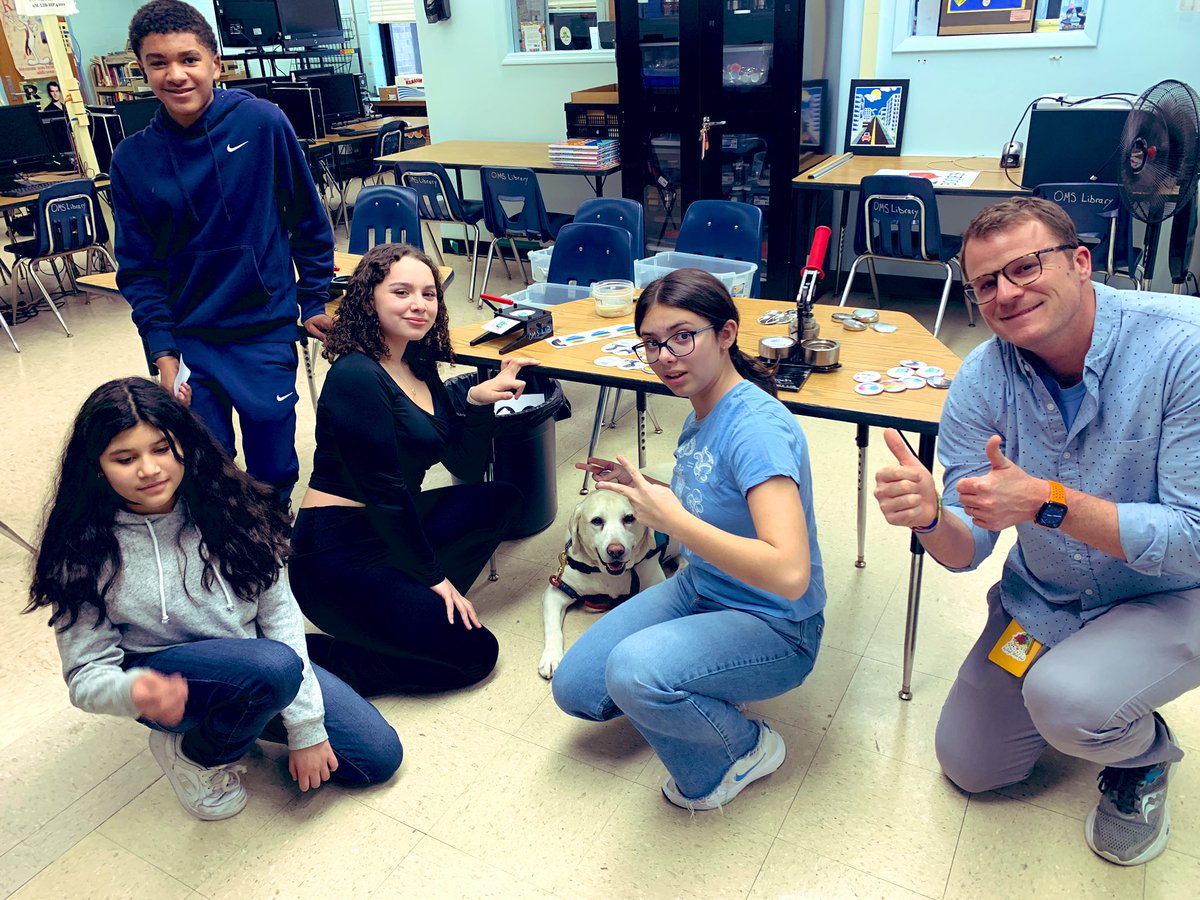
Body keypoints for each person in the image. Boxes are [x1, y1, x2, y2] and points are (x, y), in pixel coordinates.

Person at [874, 196, 1200, 866]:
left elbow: (1194, 535)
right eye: (987, 283)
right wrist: (933, 518)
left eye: (1025, 267)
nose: (1007, 294)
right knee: (970, 764)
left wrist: (1048, 503)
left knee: (1066, 698)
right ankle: (1091, 702)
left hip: (1168, 594)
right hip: (1046, 599)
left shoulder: (1180, 350)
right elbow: (968, 550)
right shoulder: (982, 377)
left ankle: (1142, 755)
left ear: (1081, 262)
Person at [27, 378, 402, 822]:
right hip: (169, 681)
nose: (149, 469)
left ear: (185, 445)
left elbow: (281, 618)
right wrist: (131, 691)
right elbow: (85, 674)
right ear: (97, 467)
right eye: (125, 458)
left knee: (377, 758)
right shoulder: (84, 549)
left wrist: (306, 726)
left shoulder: (236, 507)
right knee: (273, 665)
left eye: (162, 449)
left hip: (258, 666)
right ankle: (198, 754)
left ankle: (253, 703)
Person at [551, 269, 826, 811]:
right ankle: (680, 689)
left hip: (774, 621)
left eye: (683, 336)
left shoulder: (756, 429)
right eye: (652, 343)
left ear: (726, 334)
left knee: (633, 670)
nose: (665, 356)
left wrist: (670, 520)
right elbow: (712, 498)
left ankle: (749, 747)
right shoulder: (704, 408)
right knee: (577, 688)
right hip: (702, 588)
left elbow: (790, 571)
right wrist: (644, 488)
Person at [110, 0, 334, 505]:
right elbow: (139, 269)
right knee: (208, 466)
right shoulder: (131, 159)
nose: (176, 74)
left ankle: (276, 544)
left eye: (189, 59)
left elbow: (307, 221)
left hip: (263, 328)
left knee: (274, 466)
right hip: (189, 341)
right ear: (141, 70)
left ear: (215, 62)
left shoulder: (262, 123)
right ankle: (232, 556)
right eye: (158, 62)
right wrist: (162, 351)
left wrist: (314, 300)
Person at [289, 243, 534, 697]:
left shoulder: (416, 365)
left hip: (388, 526)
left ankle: (409, 610)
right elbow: (385, 494)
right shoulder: (356, 375)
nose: (419, 304)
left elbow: (464, 463)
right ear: (369, 299)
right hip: (336, 554)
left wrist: (478, 403)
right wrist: (435, 579)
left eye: (429, 294)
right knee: (475, 655)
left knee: (503, 498)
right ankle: (317, 658)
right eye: (401, 292)